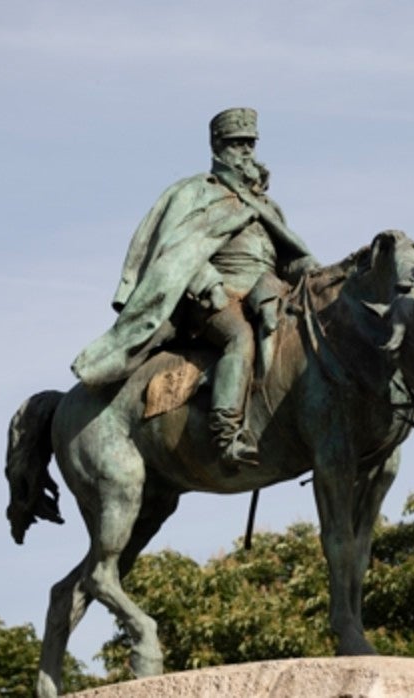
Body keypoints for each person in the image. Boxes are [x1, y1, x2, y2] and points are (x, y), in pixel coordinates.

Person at [72, 107, 318, 470]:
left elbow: (288, 260)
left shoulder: (268, 207)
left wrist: (320, 273)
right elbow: (176, 252)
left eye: (250, 143)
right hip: (215, 297)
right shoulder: (196, 192)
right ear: (218, 147)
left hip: (267, 294)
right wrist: (208, 282)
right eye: (238, 144)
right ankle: (226, 435)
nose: (247, 152)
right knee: (241, 339)